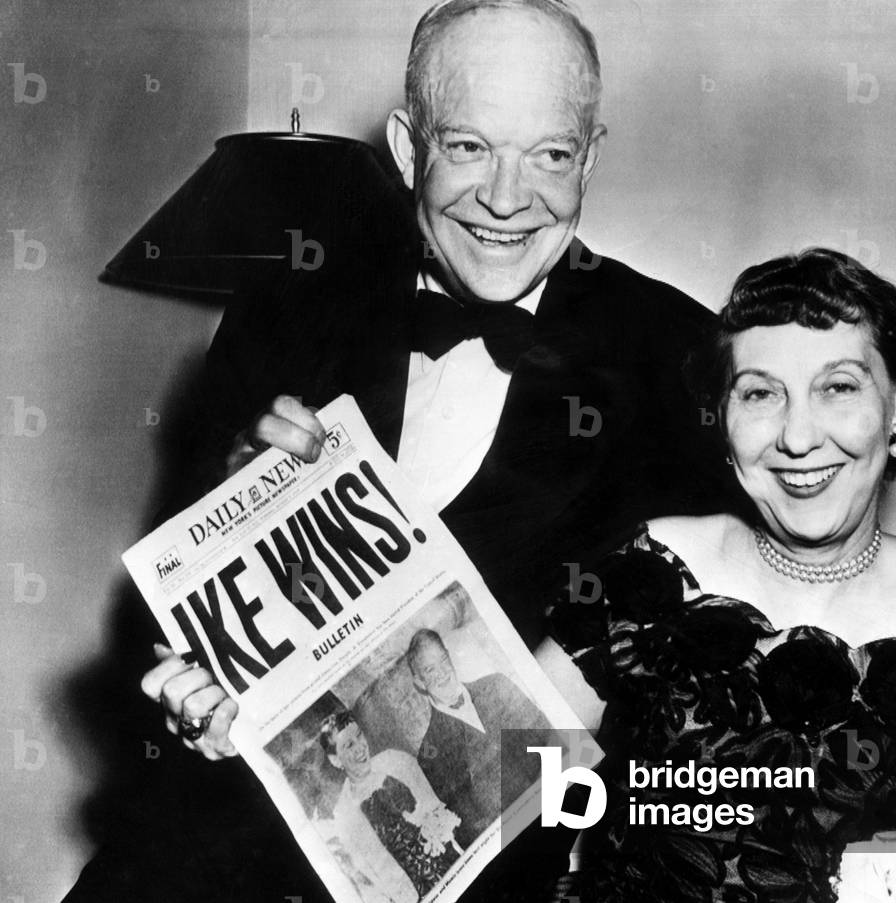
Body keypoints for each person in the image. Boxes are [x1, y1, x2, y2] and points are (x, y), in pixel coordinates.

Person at [67, 3, 730, 900]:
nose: (506, 197)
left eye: (550, 155)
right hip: (221, 852)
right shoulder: (283, 314)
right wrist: (200, 689)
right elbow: (170, 616)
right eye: (467, 147)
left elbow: (705, 725)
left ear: (591, 158)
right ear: (409, 149)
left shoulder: (680, 356)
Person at [536, 247, 896, 902]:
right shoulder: (652, 569)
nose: (796, 438)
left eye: (838, 387)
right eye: (761, 393)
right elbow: (504, 770)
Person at [407, 629, 552, 847]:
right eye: (429, 669)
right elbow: (472, 823)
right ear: (419, 682)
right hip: (520, 840)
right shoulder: (430, 754)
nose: (441, 673)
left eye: (443, 660)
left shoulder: (496, 684)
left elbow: (548, 732)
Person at [314, 711, 460, 903]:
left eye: (359, 735)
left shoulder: (398, 761)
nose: (360, 747)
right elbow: (370, 880)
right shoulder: (344, 817)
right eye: (349, 745)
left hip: (452, 867)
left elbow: (438, 810)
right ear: (335, 760)